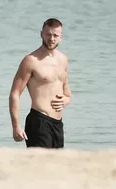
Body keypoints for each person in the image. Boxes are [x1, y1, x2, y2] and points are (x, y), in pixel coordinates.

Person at [8, 18, 72, 148]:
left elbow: (66, 90)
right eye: (48, 34)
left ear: (61, 37)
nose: (51, 38)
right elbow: (15, 93)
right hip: (39, 121)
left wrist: (66, 100)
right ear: (41, 34)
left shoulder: (63, 59)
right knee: (40, 165)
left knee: (58, 165)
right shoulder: (31, 61)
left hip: (58, 124)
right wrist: (16, 126)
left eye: (55, 35)